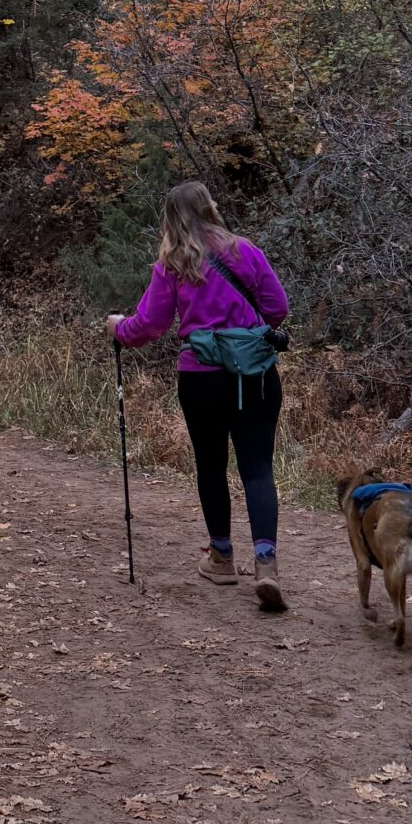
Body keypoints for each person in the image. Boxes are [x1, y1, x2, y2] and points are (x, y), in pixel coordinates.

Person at [108, 178, 291, 610]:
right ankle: (265, 564)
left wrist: (118, 327)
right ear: (210, 207)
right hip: (254, 375)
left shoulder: (172, 263)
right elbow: (278, 308)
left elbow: (148, 326)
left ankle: (222, 557)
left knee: (211, 465)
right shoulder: (246, 251)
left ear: (171, 219)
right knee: (258, 468)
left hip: (201, 377)